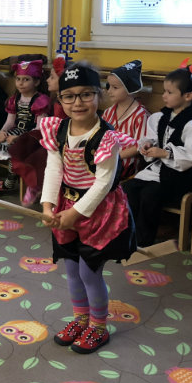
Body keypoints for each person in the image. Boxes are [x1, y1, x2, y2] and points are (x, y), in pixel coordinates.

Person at [40, 62, 137, 354]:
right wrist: (48, 205)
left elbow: (104, 184)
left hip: (99, 212)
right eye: (69, 96)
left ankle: (98, 326)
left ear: (99, 95)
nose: (77, 102)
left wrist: (74, 213)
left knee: (89, 272)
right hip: (67, 205)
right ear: (60, 99)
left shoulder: (106, 137)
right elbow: (54, 169)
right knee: (71, 270)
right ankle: (80, 319)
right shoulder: (58, 130)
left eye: (86, 94)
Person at [123, 58, 192, 249]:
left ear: (188, 95)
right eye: (164, 91)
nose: (164, 96)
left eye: (169, 92)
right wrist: (147, 145)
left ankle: (143, 241)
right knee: (128, 189)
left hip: (180, 176)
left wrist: (165, 153)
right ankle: (128, 234)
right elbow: (151, 137)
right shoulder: (160, 117)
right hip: (157, 171)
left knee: (150, 194)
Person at [0, 58, 51, 193]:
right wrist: (2, 131)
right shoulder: (14, 99)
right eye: (18, 79)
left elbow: (39, 128)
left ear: (36, 82)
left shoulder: (40, 100)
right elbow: (10, 121)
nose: (21, 83)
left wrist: (18, 138)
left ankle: (9, 183)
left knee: (14, 152)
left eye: (26, 79)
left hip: (31, 136)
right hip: (15, 132)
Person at [8, 55, 68, 205]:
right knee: (22, 147)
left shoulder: (66, 102)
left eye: (52, 77)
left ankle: (37, 187)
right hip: (50, 136)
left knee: (39, 156)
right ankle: (34, 186)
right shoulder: (57, 98)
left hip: (62, 141)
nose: (48, 80)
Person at [102, 59, 150, 179]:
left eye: (115, 87)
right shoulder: (108, 112)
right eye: (108, 86)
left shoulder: (140, 115)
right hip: (107, 159)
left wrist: (116, 156)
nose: (109, 91)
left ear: (130, 88)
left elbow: (140, 146)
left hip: (126, 165)